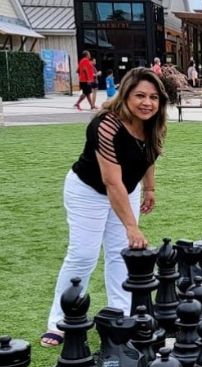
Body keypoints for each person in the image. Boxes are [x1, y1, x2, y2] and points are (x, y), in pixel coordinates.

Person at [40, 67, 169, 348]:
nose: (147, 103)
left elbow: (149, 156)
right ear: (125, 96)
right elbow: (111, 182)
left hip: (128, 189)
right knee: (83, 254)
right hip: (88, 190)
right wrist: (132, 226)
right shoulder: (106, 125)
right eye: (140, 96)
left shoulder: (153, 123)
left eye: (154, 97)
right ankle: (60, 321)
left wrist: (149, 188)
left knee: (120, 255)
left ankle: (121, 314)